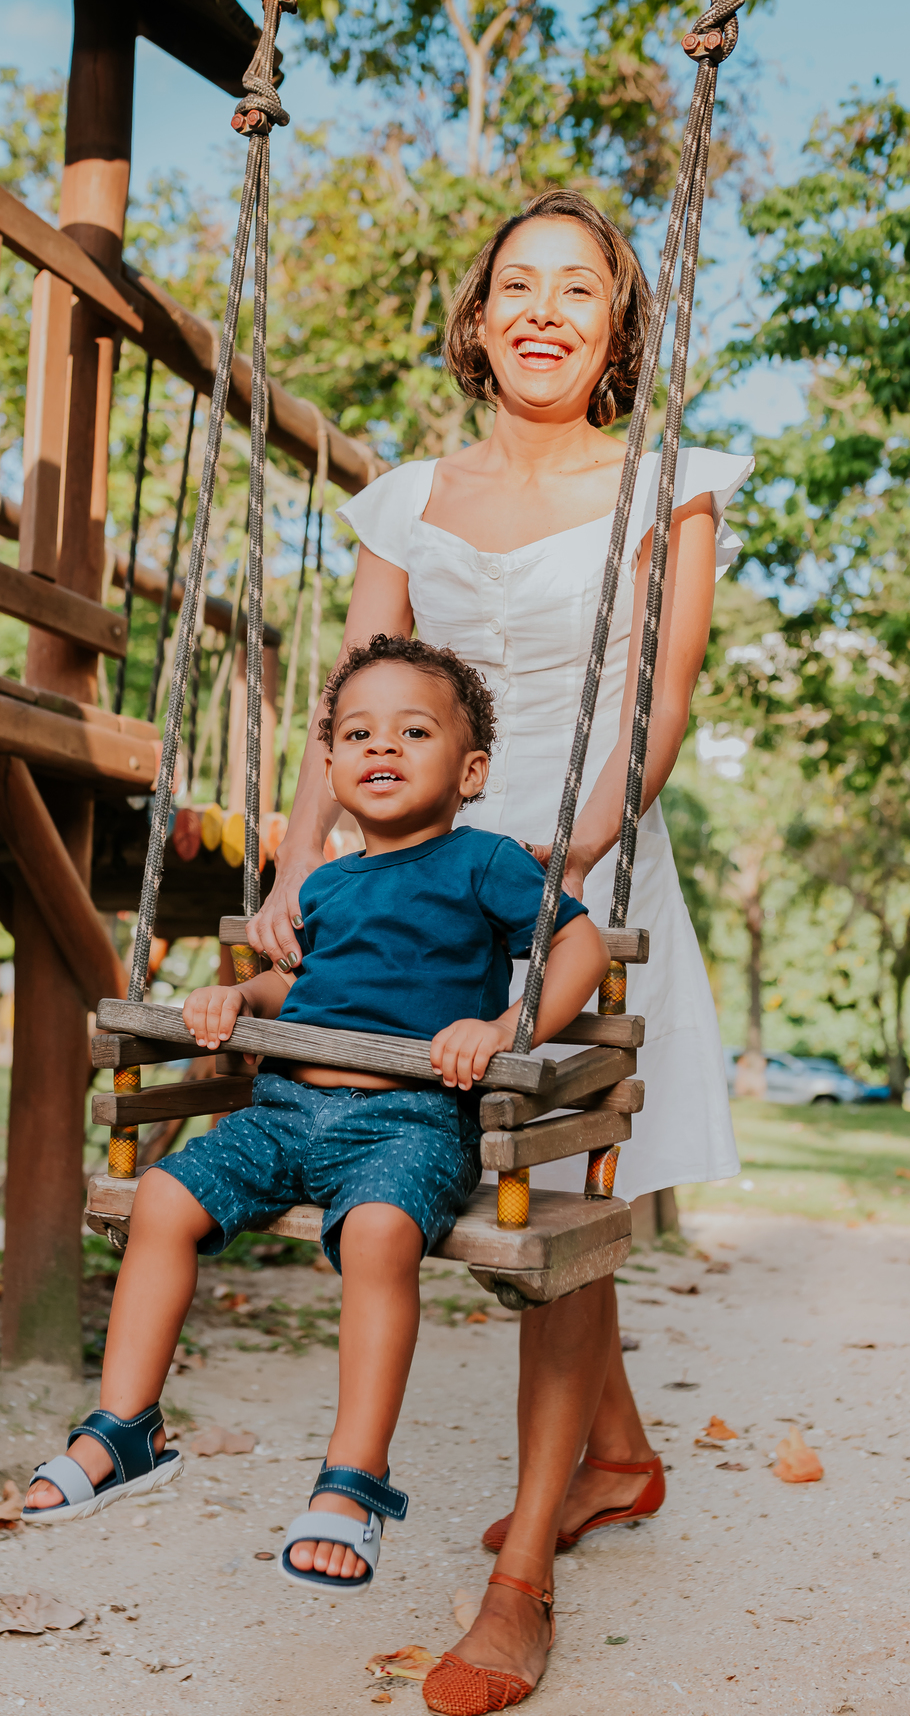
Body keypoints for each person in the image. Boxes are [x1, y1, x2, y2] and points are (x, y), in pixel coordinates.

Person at [249, 188, 753, 1713]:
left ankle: (521, 1575)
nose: (544, 309)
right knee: (505, 1181)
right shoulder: (407, 498)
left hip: (575, 855)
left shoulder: (668, 482)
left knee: (556, 1190)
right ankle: (619, 1455)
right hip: (414, 868)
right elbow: (356, 696)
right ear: (476, 320)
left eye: (578, 288)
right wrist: (296, 867)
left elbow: (661, 695)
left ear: (618, 326)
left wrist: (576, 855)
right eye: (517, 284)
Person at [22, 635, 609, 1607]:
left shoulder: (486, 864)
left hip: (411, 1120)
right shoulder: (326, 884)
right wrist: (238, 997)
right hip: (284, 1109)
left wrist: (507, 1026)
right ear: (332, 767)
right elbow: (294, 985)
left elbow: (578, 945)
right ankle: (125, 1427)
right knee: (162, 1198)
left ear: (469, 772)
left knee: (378, 1235)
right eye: (359, 733)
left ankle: (352, 1479)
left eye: (412, 732)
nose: (382, 746)